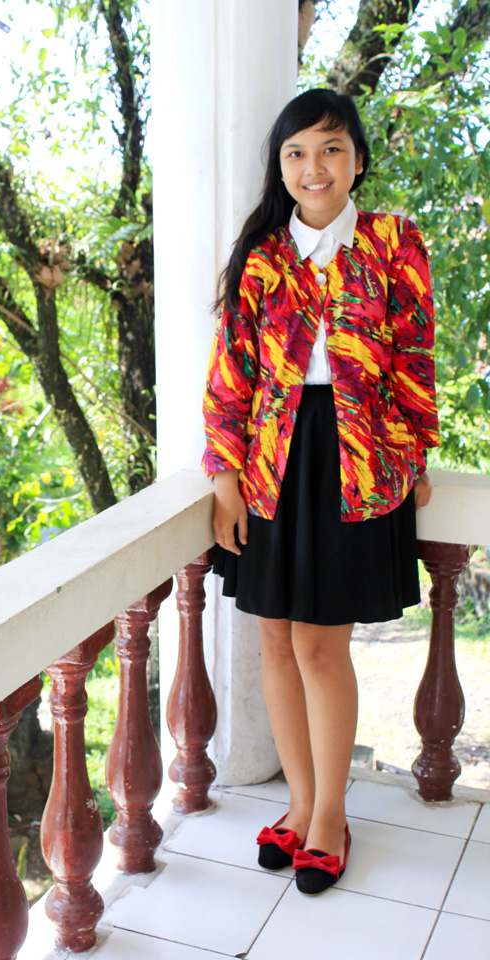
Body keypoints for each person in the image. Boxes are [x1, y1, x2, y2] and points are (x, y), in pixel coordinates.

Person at [202, 88, 439, 896]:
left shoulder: (393, 242)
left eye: (332, 149)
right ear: (281, 168)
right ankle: (299, 806)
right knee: (273, 639)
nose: (315, 167)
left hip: (357, 457)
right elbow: (231, 371)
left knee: (319, 647)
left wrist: (412, 454)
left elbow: (414, 356)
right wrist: (225, 476)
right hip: (271, 462)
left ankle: (332, 816)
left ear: (357, 160)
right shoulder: (262, 255)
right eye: (297, 152)